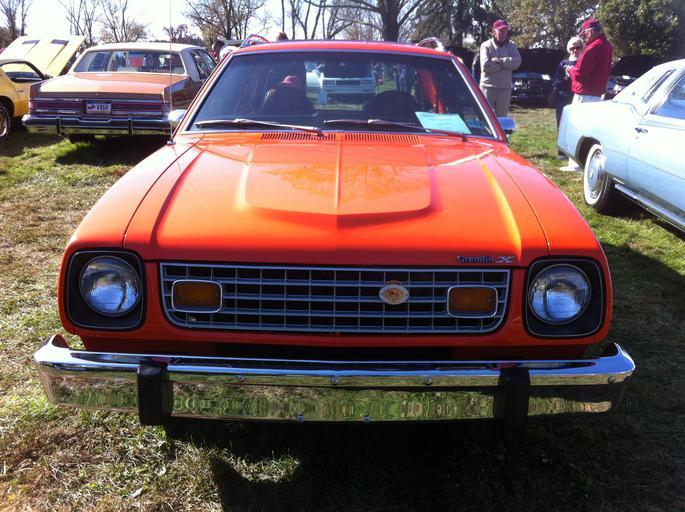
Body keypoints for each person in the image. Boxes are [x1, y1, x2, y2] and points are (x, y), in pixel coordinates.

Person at [479, 19, 521, 117]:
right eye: (501, 30)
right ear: (494, 31)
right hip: (488, 87)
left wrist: (500, 61)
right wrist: (506, 65)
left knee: (502, 119)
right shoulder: (486, 45)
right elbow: (485, 66)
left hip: (504, 88)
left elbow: (516, 63)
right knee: (486, 117)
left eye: (505, 31)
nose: (503, 33)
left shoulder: (512, 46)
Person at [551, 36, 583, 160]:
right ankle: (561, 151)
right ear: (569, 49)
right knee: (561, 123)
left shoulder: (582, 63)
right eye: (573, 48)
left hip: (577, 96)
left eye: (578, 48)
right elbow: (557, 79)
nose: (575, 50)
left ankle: (574, 152)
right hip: (562, 97)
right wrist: (554, 91)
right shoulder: (563, 63)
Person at [567, 18, 613, 103]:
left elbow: (580, 73)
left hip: (585, 94)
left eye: (584, 34)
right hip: (597, 94)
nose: (584, 38)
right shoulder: (607, 45)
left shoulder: (592, 47)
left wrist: (570, 69)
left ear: (590, 32)